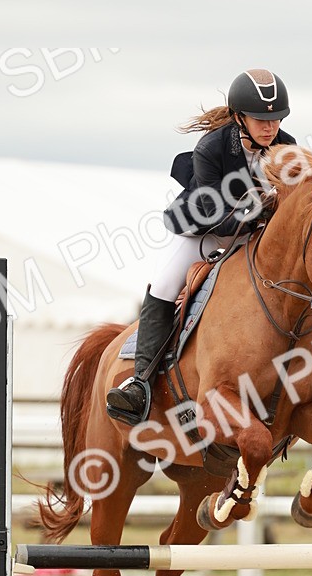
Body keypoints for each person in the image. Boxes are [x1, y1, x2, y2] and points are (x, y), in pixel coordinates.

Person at [106, 68, 296, 424]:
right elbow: (215, 214)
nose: (269, 127)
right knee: (164, 285)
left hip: (256, 237)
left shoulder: (286, 146)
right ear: (239, 117)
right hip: (205, 232)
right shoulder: (211, 148)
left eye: (275, 119)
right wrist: (259, 209)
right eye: (260, 119)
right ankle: (140, 383)